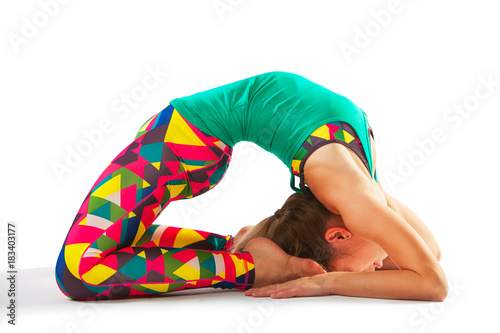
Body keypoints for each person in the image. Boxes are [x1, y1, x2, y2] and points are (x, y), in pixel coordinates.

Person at [55, 71, 447, 301]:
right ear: (340, 232)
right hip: (179, 140)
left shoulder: (361, 198)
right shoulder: (361, 201)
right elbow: (432, 280)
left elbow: (425, 260)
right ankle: (248, 261)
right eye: (363, 270)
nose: (376, 268)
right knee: (83, 265)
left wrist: (332, 275)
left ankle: (241, 262)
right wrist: (326, 282)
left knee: (80, 266)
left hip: (186, 138)